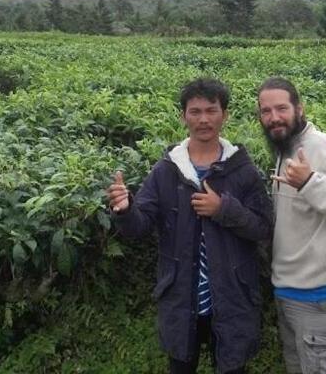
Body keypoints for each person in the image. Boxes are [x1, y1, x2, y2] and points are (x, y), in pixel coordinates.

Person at [108, 78, 273, 374]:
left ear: (225, 115)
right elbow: (139, 226)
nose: (203, 119)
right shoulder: (167, 170)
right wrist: (126, 209)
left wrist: (223, 209)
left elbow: (263, 228)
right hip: (181, 299)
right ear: (183, 116)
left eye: (211, 110)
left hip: (233, 297)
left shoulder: (242, 170)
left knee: (233, 367)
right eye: (195, 112)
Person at [256, 77, 326, 374]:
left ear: (299, 109)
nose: (274, 117)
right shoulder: (284, 147)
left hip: (322, 298)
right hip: (289, 291)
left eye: (281, 108)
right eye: (266, 111)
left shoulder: (319, 145)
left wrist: (310, 182)